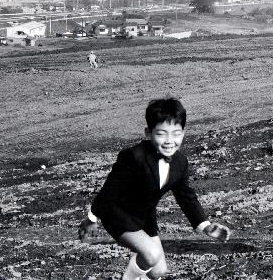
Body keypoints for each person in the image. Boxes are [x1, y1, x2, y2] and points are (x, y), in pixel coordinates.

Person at [79, 98, 231, 279]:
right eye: (161, 134)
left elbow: (186, 197)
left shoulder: (180, 162)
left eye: (176, 134)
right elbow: (109, 190)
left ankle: (140, 263)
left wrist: (205, 226)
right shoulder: (133, 157)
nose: (169, 141)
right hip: (118, 214)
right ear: (148, 133)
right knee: (151, 254)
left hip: (145, 218)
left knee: (158, 271)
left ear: (183, 133)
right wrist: (91, 218)